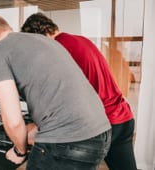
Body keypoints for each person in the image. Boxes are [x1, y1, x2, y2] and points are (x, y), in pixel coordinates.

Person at [0, 14, 111, 169]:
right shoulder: (44, 40)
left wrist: (19, 151)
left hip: (68, 141)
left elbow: (12, 120)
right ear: (9, 29)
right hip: (101, 133)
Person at [21, 12, 137, 170]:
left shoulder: (58, 49)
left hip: (100, 124)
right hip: (123, 118)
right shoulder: (82, 40)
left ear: (40, 36)